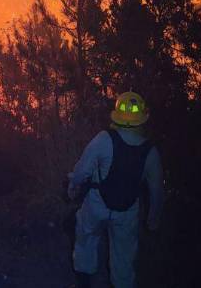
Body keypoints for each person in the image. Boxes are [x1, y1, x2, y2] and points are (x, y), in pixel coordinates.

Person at [68, 91, 164, 288]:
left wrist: (73, 186)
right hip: (127, 212)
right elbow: (156, 190)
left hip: (97, 204)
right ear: (142, 118)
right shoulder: (150, 152)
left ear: (117, 115)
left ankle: (84, 283)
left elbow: (82, 170)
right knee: (124, 260)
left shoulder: (104, 139)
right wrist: (153, 218)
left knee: (86, 240)